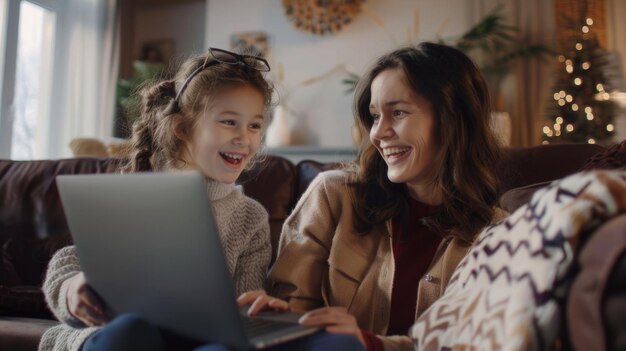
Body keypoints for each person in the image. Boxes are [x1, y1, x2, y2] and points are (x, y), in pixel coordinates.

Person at [239, 42, 508, 350]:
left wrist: (368, 344)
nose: (378, 133)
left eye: (399, 113)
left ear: (453, 120)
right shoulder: (332, 195)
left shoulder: (499, 236)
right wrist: (271, 314)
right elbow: (292, 309)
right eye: (375, 116)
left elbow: (471, 343)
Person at [40, 48, 273, 351]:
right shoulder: (133, 196)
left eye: (255, 125)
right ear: (182, 127)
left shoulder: (251, 219)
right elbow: (69, 260)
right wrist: (72, 289)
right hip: (119, 332)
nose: (246, 137)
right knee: (130, 331)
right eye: (229, 121)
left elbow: (245, 311)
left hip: (199, 341)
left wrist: (253, 309)